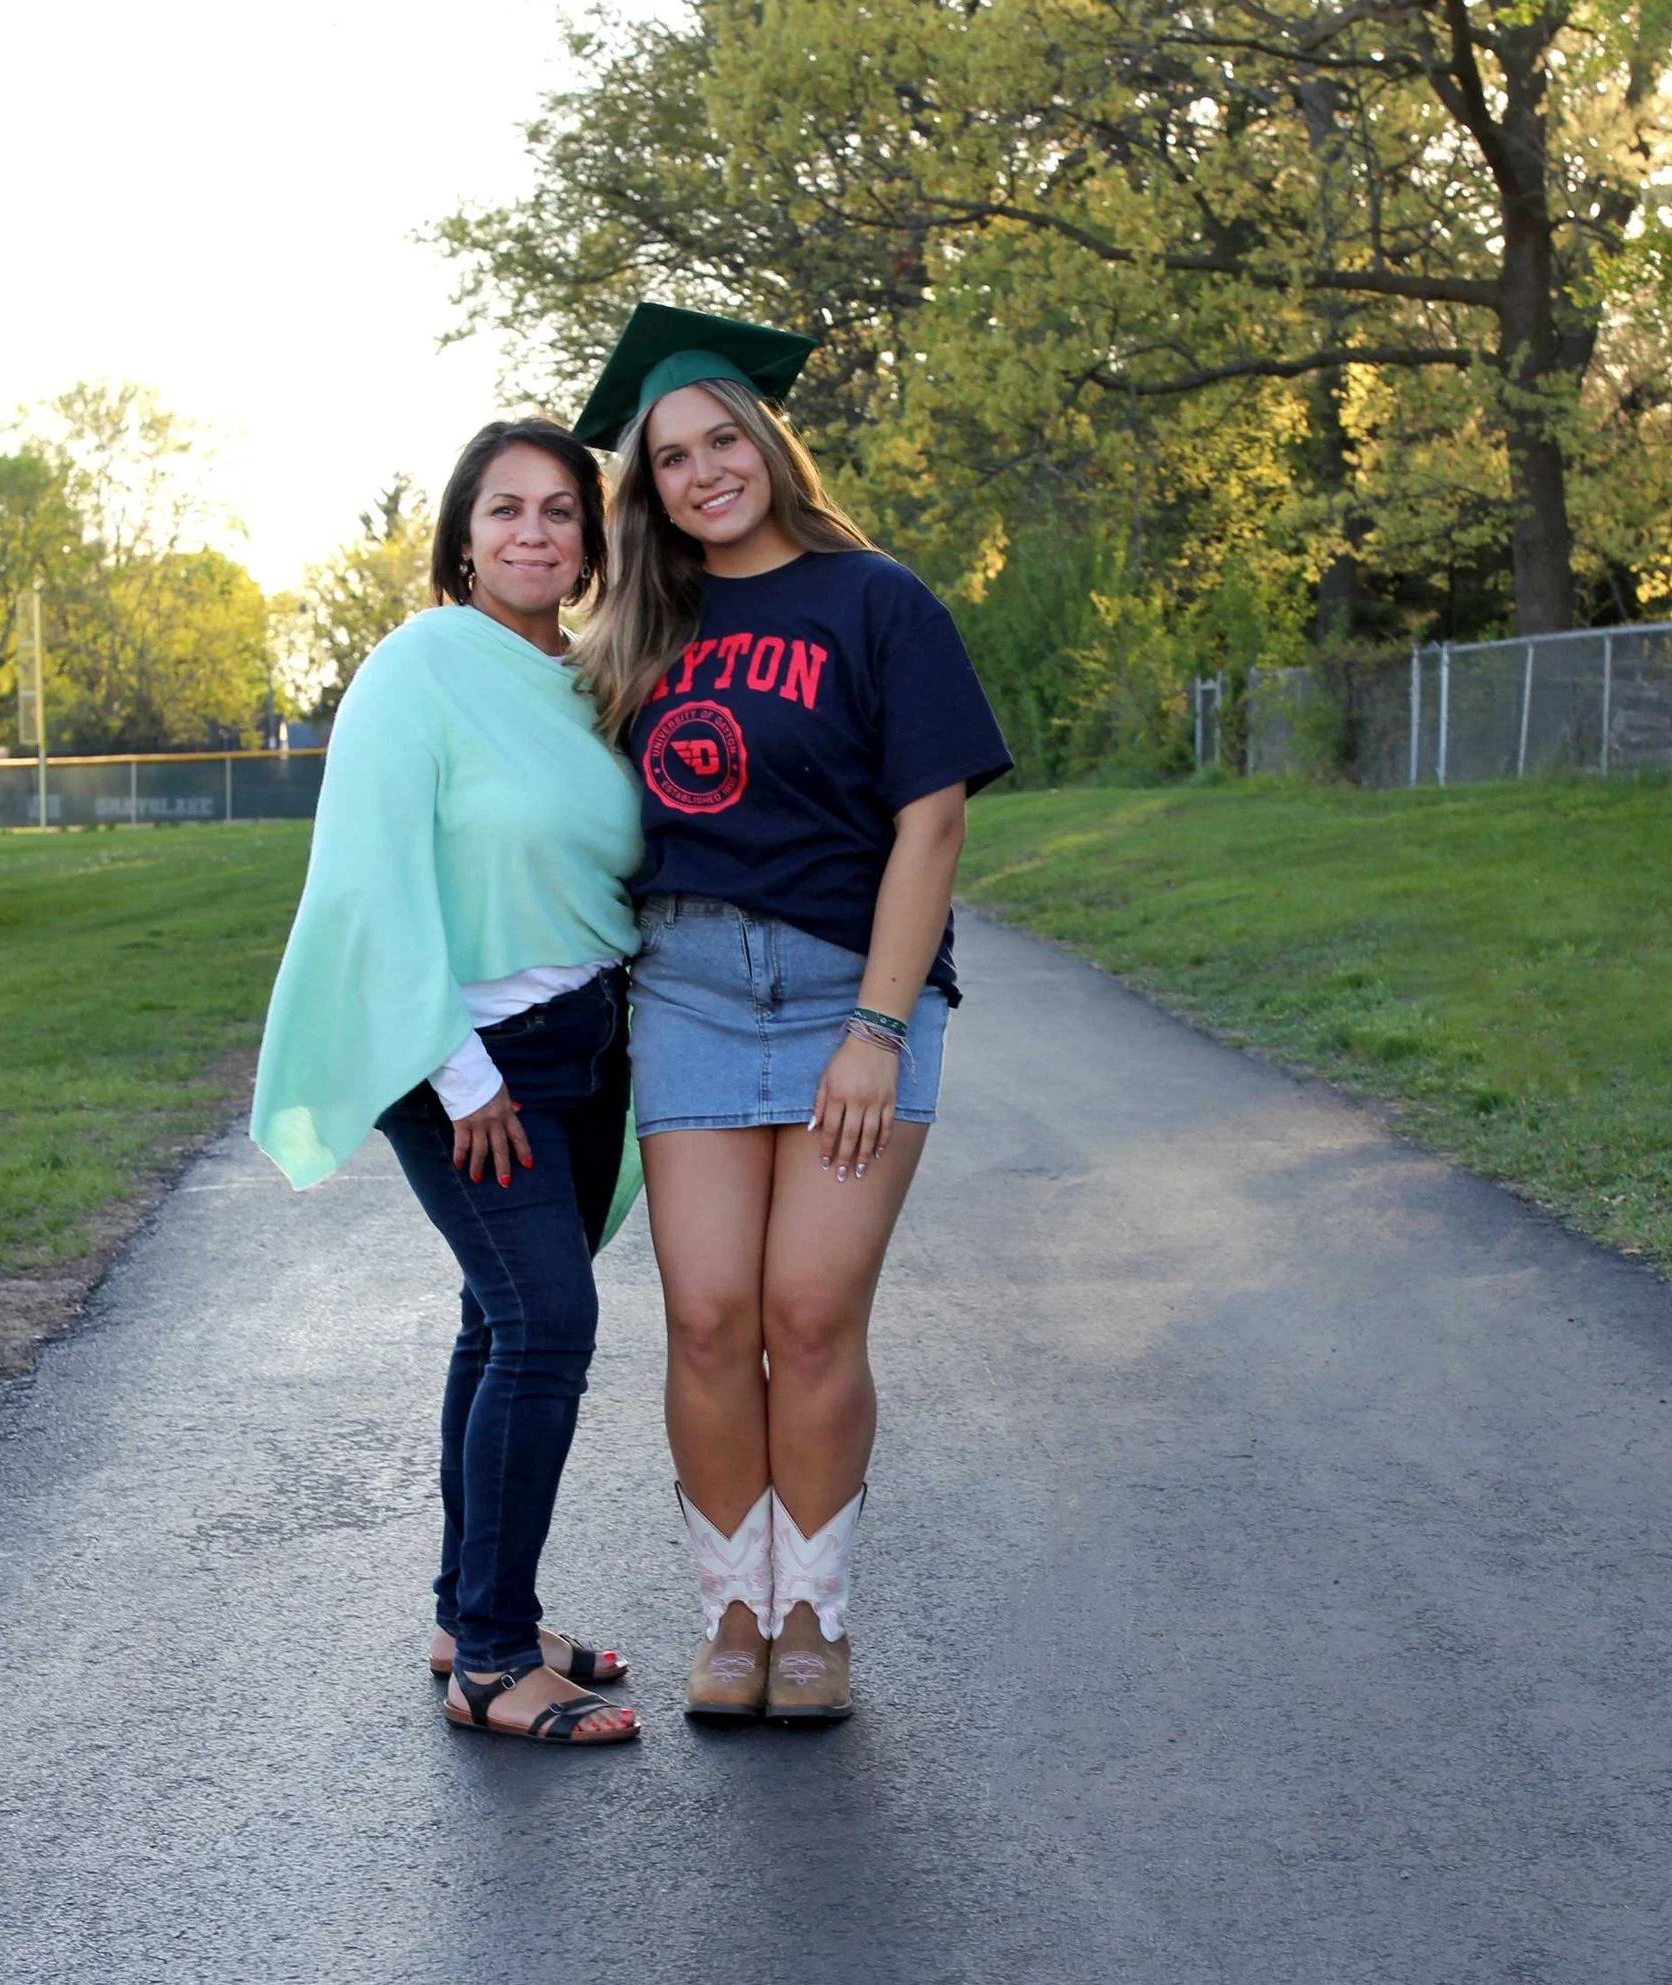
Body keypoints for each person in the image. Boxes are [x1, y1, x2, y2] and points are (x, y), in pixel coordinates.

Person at [572, 304, 1014, 1723]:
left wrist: (877, 1031)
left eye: (722, 439)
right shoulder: (639, 629)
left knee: (811, 1313)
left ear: (766, 440)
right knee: (708, 1317)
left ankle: (815, 1615)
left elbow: (930, 825)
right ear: (649, 493)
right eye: (673, 460)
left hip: (848, 991)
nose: (706, 472)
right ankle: (735, 1615)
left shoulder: (879, 600)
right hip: (691, 987)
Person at [251, 419, 644, 1747]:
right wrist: (465, 1078)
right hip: (472, 1063)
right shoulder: (415, 670)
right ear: (462, 540)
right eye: (505, 510)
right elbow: (372, 882)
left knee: (499, 1319)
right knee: (546, 1325)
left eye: (559, 511)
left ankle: (469, 1608)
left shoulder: (592, 681)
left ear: (590, 541)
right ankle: (491, 1663)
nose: (534, 531)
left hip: (591, 1050)